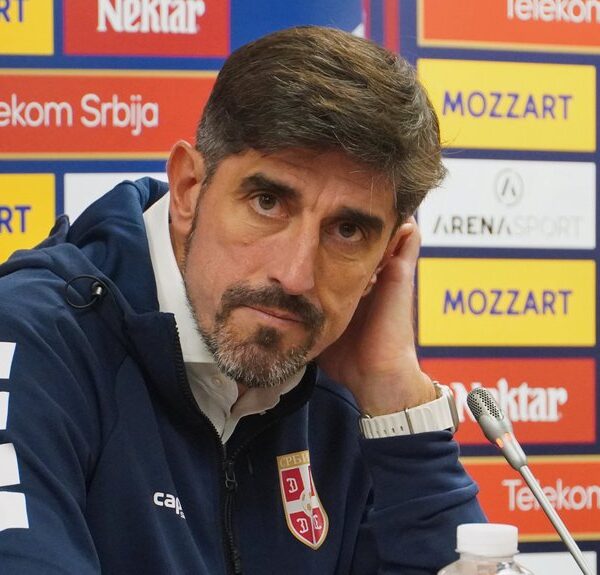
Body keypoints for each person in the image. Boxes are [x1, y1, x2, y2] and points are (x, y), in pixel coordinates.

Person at [0, 26, 485, 574]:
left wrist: (395, 400)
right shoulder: (32, 337)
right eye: (267, 202)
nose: (295, 275)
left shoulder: (347, 395)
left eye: (347, 231)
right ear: (189, 188)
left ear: (386, 259)